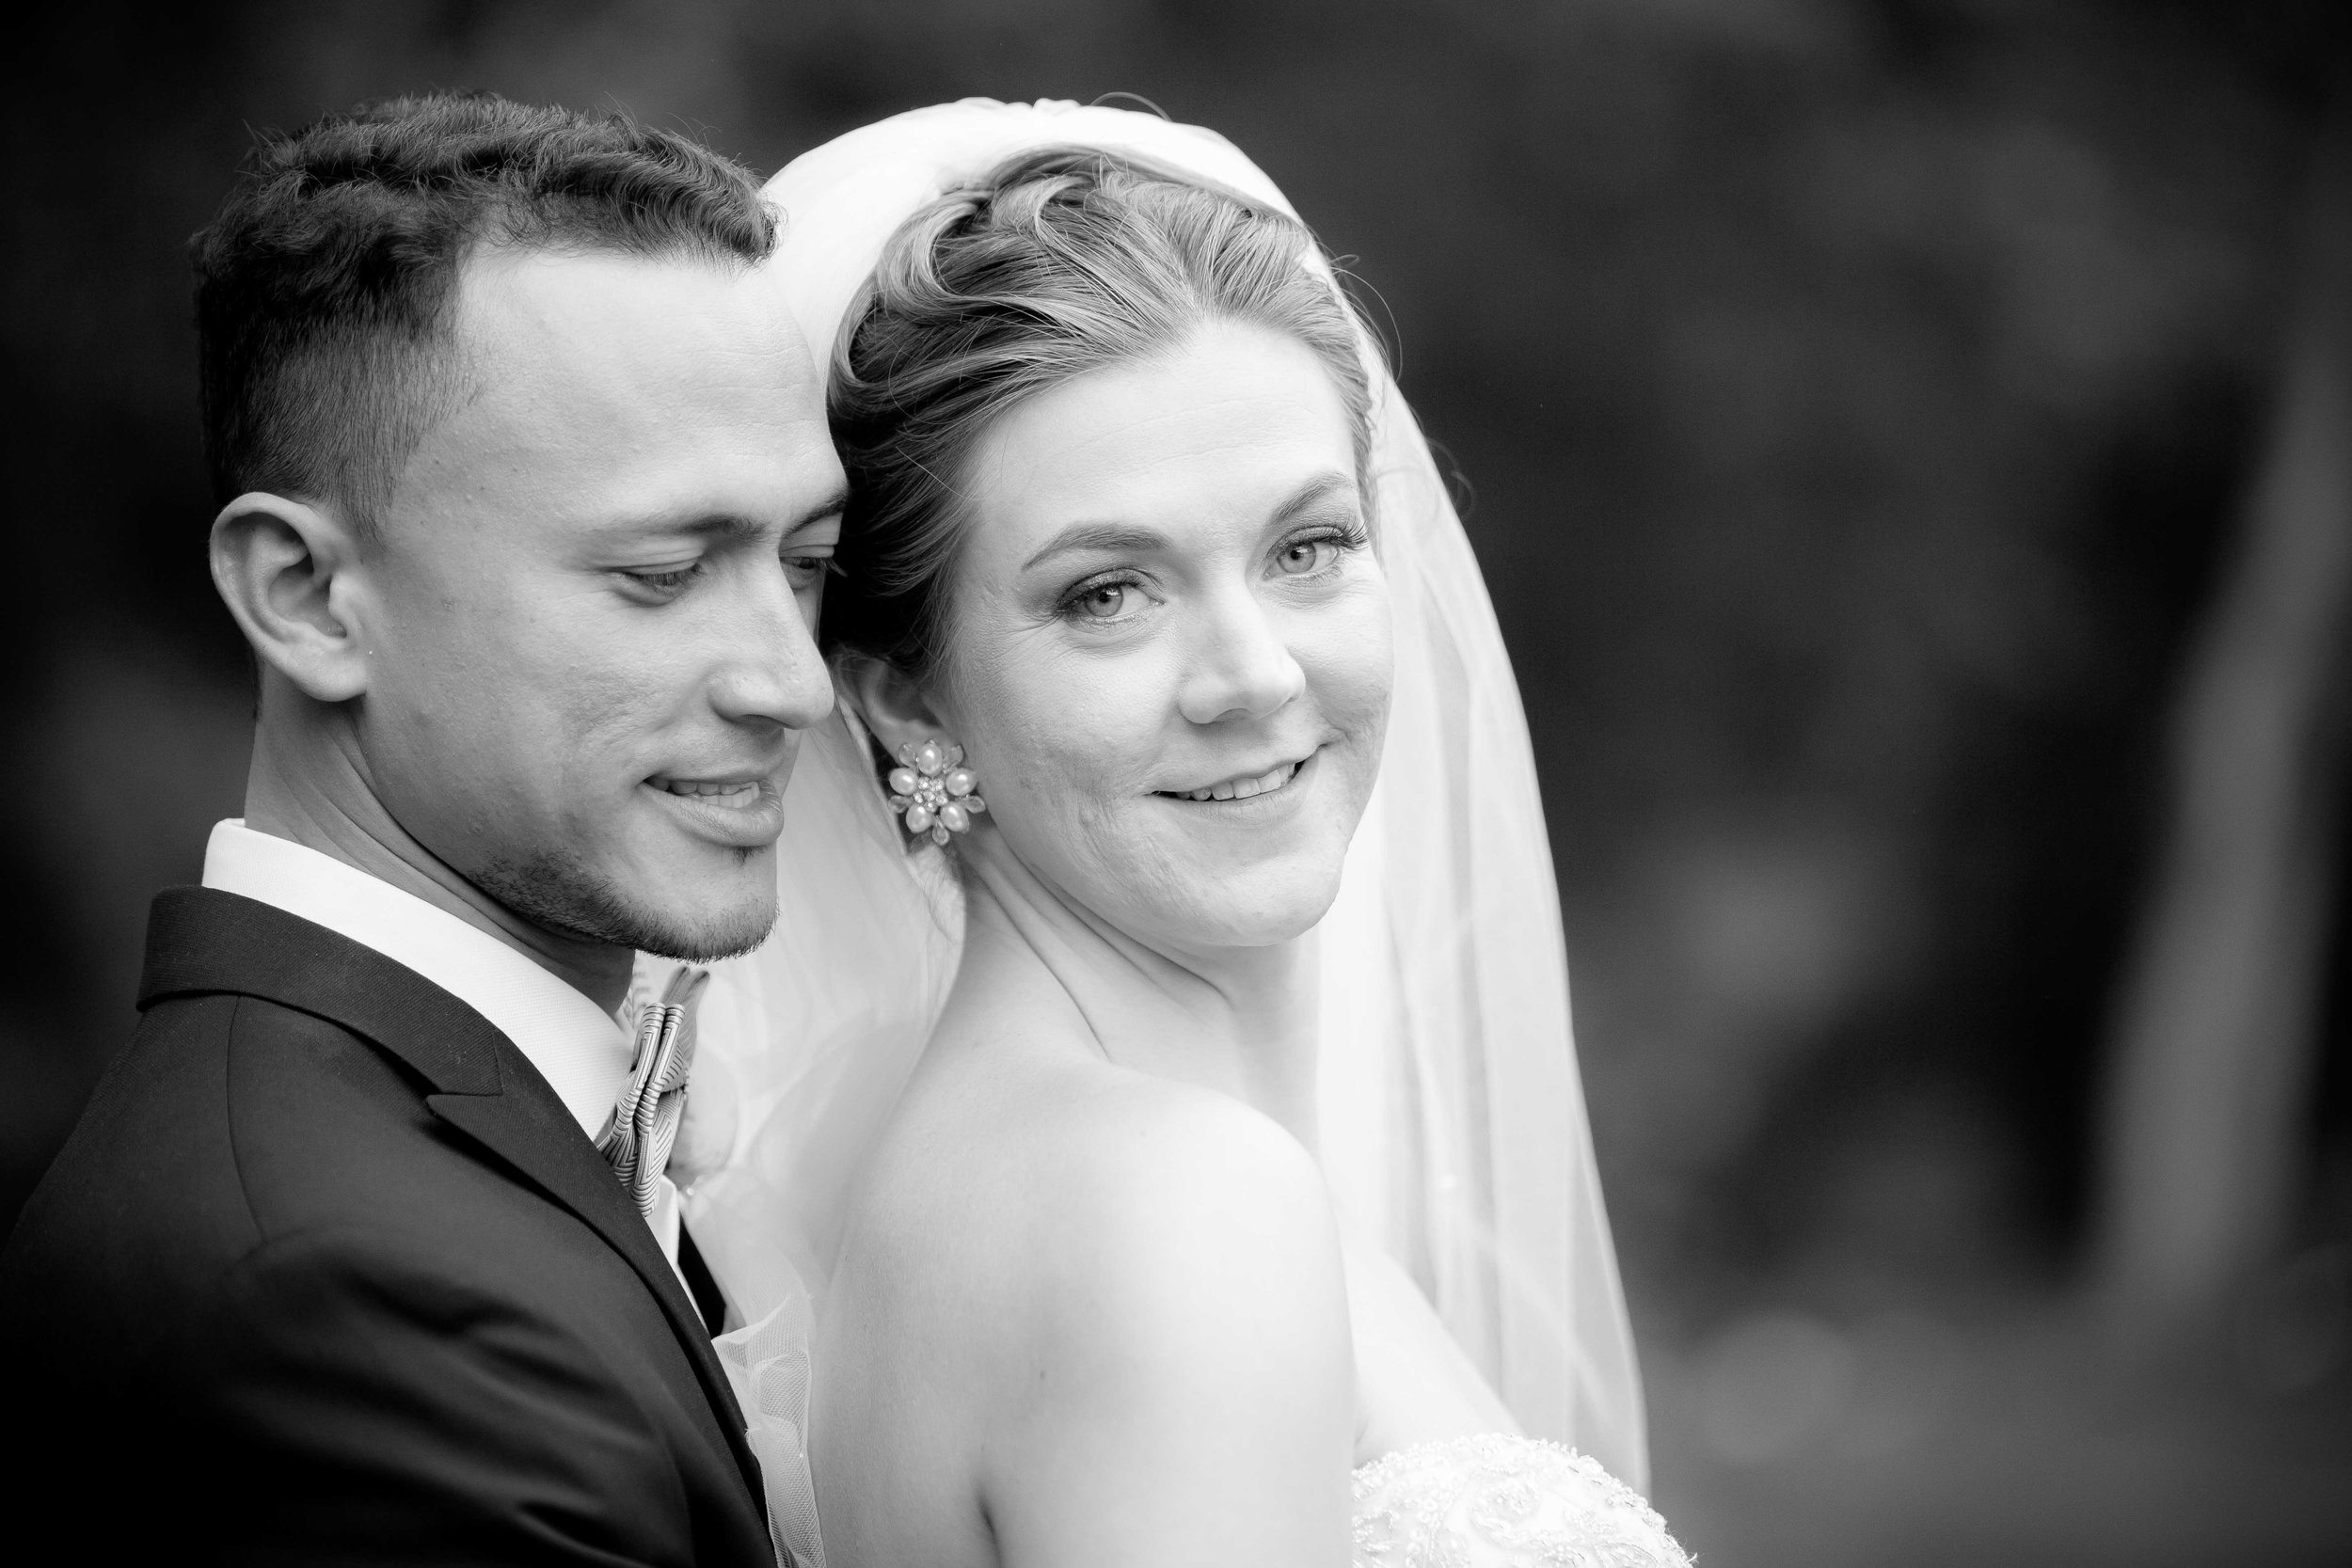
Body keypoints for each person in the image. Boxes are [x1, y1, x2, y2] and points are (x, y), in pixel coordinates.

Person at [682, 101, 1679, 1568]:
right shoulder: (1170, 1207)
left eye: (1307, 548)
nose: (1255, 675)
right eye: (1108, 594)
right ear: (905, 701)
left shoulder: (982, 1156)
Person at [0, 92, 846, 1563]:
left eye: (808, 561)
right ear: (308, 599)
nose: (795, 682)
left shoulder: (446, 1146)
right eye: (660, 572)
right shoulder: (345, 1298)